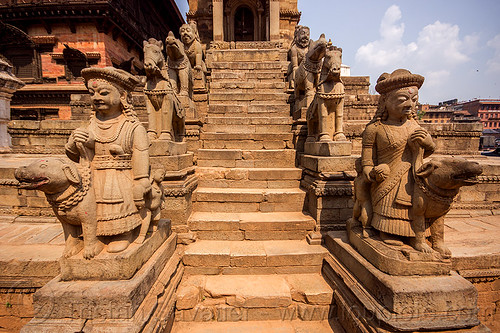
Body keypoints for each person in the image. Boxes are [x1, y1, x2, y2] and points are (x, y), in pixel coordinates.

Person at [65, 67, 151, 253]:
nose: (96, 97)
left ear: (123, 96)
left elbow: (141, 155)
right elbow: (73, 155)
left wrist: (141, 181)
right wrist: (74, 143)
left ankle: (123, 232)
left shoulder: (133, 127)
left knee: (117, 200)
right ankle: (91, 235)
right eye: (92, 93)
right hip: (92, 175)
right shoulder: (90, 125)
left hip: (120, 176)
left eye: (104, 93)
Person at [361, 69, 435, 248]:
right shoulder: (375, 129)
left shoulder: (414, 126)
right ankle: (386, 229)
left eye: (414, 100)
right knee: (390, 211)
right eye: (403, 100)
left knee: (416, 206)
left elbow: (427, 152)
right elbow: (366, 163)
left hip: (413, 180)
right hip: (387, 182)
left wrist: (429, 143)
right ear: (385, 101)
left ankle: (415, 233)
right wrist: (372, 173)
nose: (410, 104)